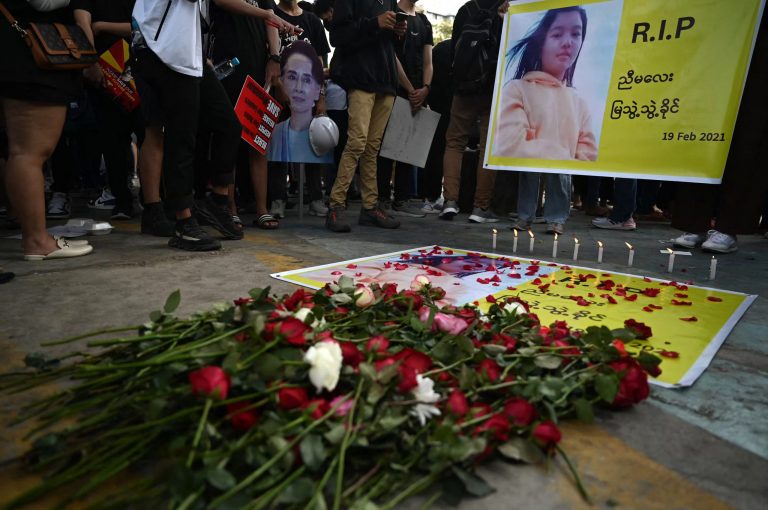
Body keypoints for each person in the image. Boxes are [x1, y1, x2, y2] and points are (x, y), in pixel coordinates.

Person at [0, 0, 93, 260]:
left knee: (22, 152)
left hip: (19, 50)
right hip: (29, 53)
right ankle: (37, 240)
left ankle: (34, 234)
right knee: (29, 152)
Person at [495, 7, 596, 236]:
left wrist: (560, 154)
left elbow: (587, 152)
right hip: (533, 159)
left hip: (561, 164)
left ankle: (557, 218)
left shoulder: (579, 101)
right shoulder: (517, 88)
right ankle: (525, 215)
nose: (568, 42)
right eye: (557, 34)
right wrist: (560, 151)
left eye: (576, 33)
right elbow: (512, 143)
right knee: (528, 171)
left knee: (561, 175)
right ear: (542, 41)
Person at [206, 0, 295, 231]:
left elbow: (271, 20)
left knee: (259, 139)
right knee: (229, 138)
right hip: (227, 65)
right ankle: (230, 208)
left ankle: (262, 209)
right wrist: (265, 13)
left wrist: (275, 58)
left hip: (258, 66)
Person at [325, 0, 406, 233]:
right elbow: (337, 36)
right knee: (357, 143)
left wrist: (398, 33)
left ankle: (370, 207)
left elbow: (390, 44)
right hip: (362, 77)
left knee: (372, 146)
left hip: (386, 79)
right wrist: (376, 23)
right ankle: (336, 205)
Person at [439, 0, 508, 225]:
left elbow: (454, 51)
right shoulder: (506, 8)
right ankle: (481, 207)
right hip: (492, 87)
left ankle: (449, 201)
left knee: (454, 143)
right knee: (487, 148)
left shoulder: (465, 10)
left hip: (463, 88)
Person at [268, 0, 332, 218]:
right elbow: (268, 55)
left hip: (309, 95)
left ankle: (316, 198)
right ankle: (277, 199)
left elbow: (321, 62)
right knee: (278, 144)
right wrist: (279, 88)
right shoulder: (272, 14)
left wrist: (321, 96)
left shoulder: (312, 20)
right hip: (279, 93)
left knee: (314, 144)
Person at [376, 0, 434, 219]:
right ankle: (382, 198)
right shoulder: (391, 14)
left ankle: (403, 198)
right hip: (393, 90)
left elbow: (429, 60)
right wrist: (410, 89)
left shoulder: (424, 21)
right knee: (386, 149)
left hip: (418, 92)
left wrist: (425, 88)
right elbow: (391, 55)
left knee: (409, 150)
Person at [267, 41, 333, 165]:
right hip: (277, 109)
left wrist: (321, 98)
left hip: (312, 121)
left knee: (313, 164)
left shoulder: (314, 23)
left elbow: (320, 69)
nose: (299, 87)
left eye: (306, 79)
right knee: (276, 163)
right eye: (292, 77)